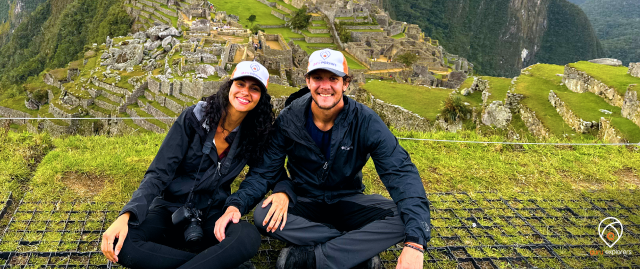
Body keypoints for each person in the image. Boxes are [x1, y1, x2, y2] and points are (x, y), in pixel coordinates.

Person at [214, 49, 431, 269]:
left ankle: (312, 258)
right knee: (263, 215)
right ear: (308, 82)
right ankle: (355, 249)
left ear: (345, 84)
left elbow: (401, 172)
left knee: (407, 218)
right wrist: (237, 204)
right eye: (318, 78)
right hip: (305, 200)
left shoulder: (365, 121)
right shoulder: (289, 120)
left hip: (348, 200)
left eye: (333, 79)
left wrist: (415, 243)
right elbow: (264, 171)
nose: (325, 86)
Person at [101, 61, 276, 269]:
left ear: (261, 97)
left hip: (212, 214)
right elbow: (159, 173)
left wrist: (235, 206)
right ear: (230, 86)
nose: (245, 92)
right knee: (121, 243)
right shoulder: (193, 119)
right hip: (171, 209)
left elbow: (261, 175)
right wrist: (127, 214)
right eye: (240, 84)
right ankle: (217, 263)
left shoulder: (256, 134)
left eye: (254, 88)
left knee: (247, 236)